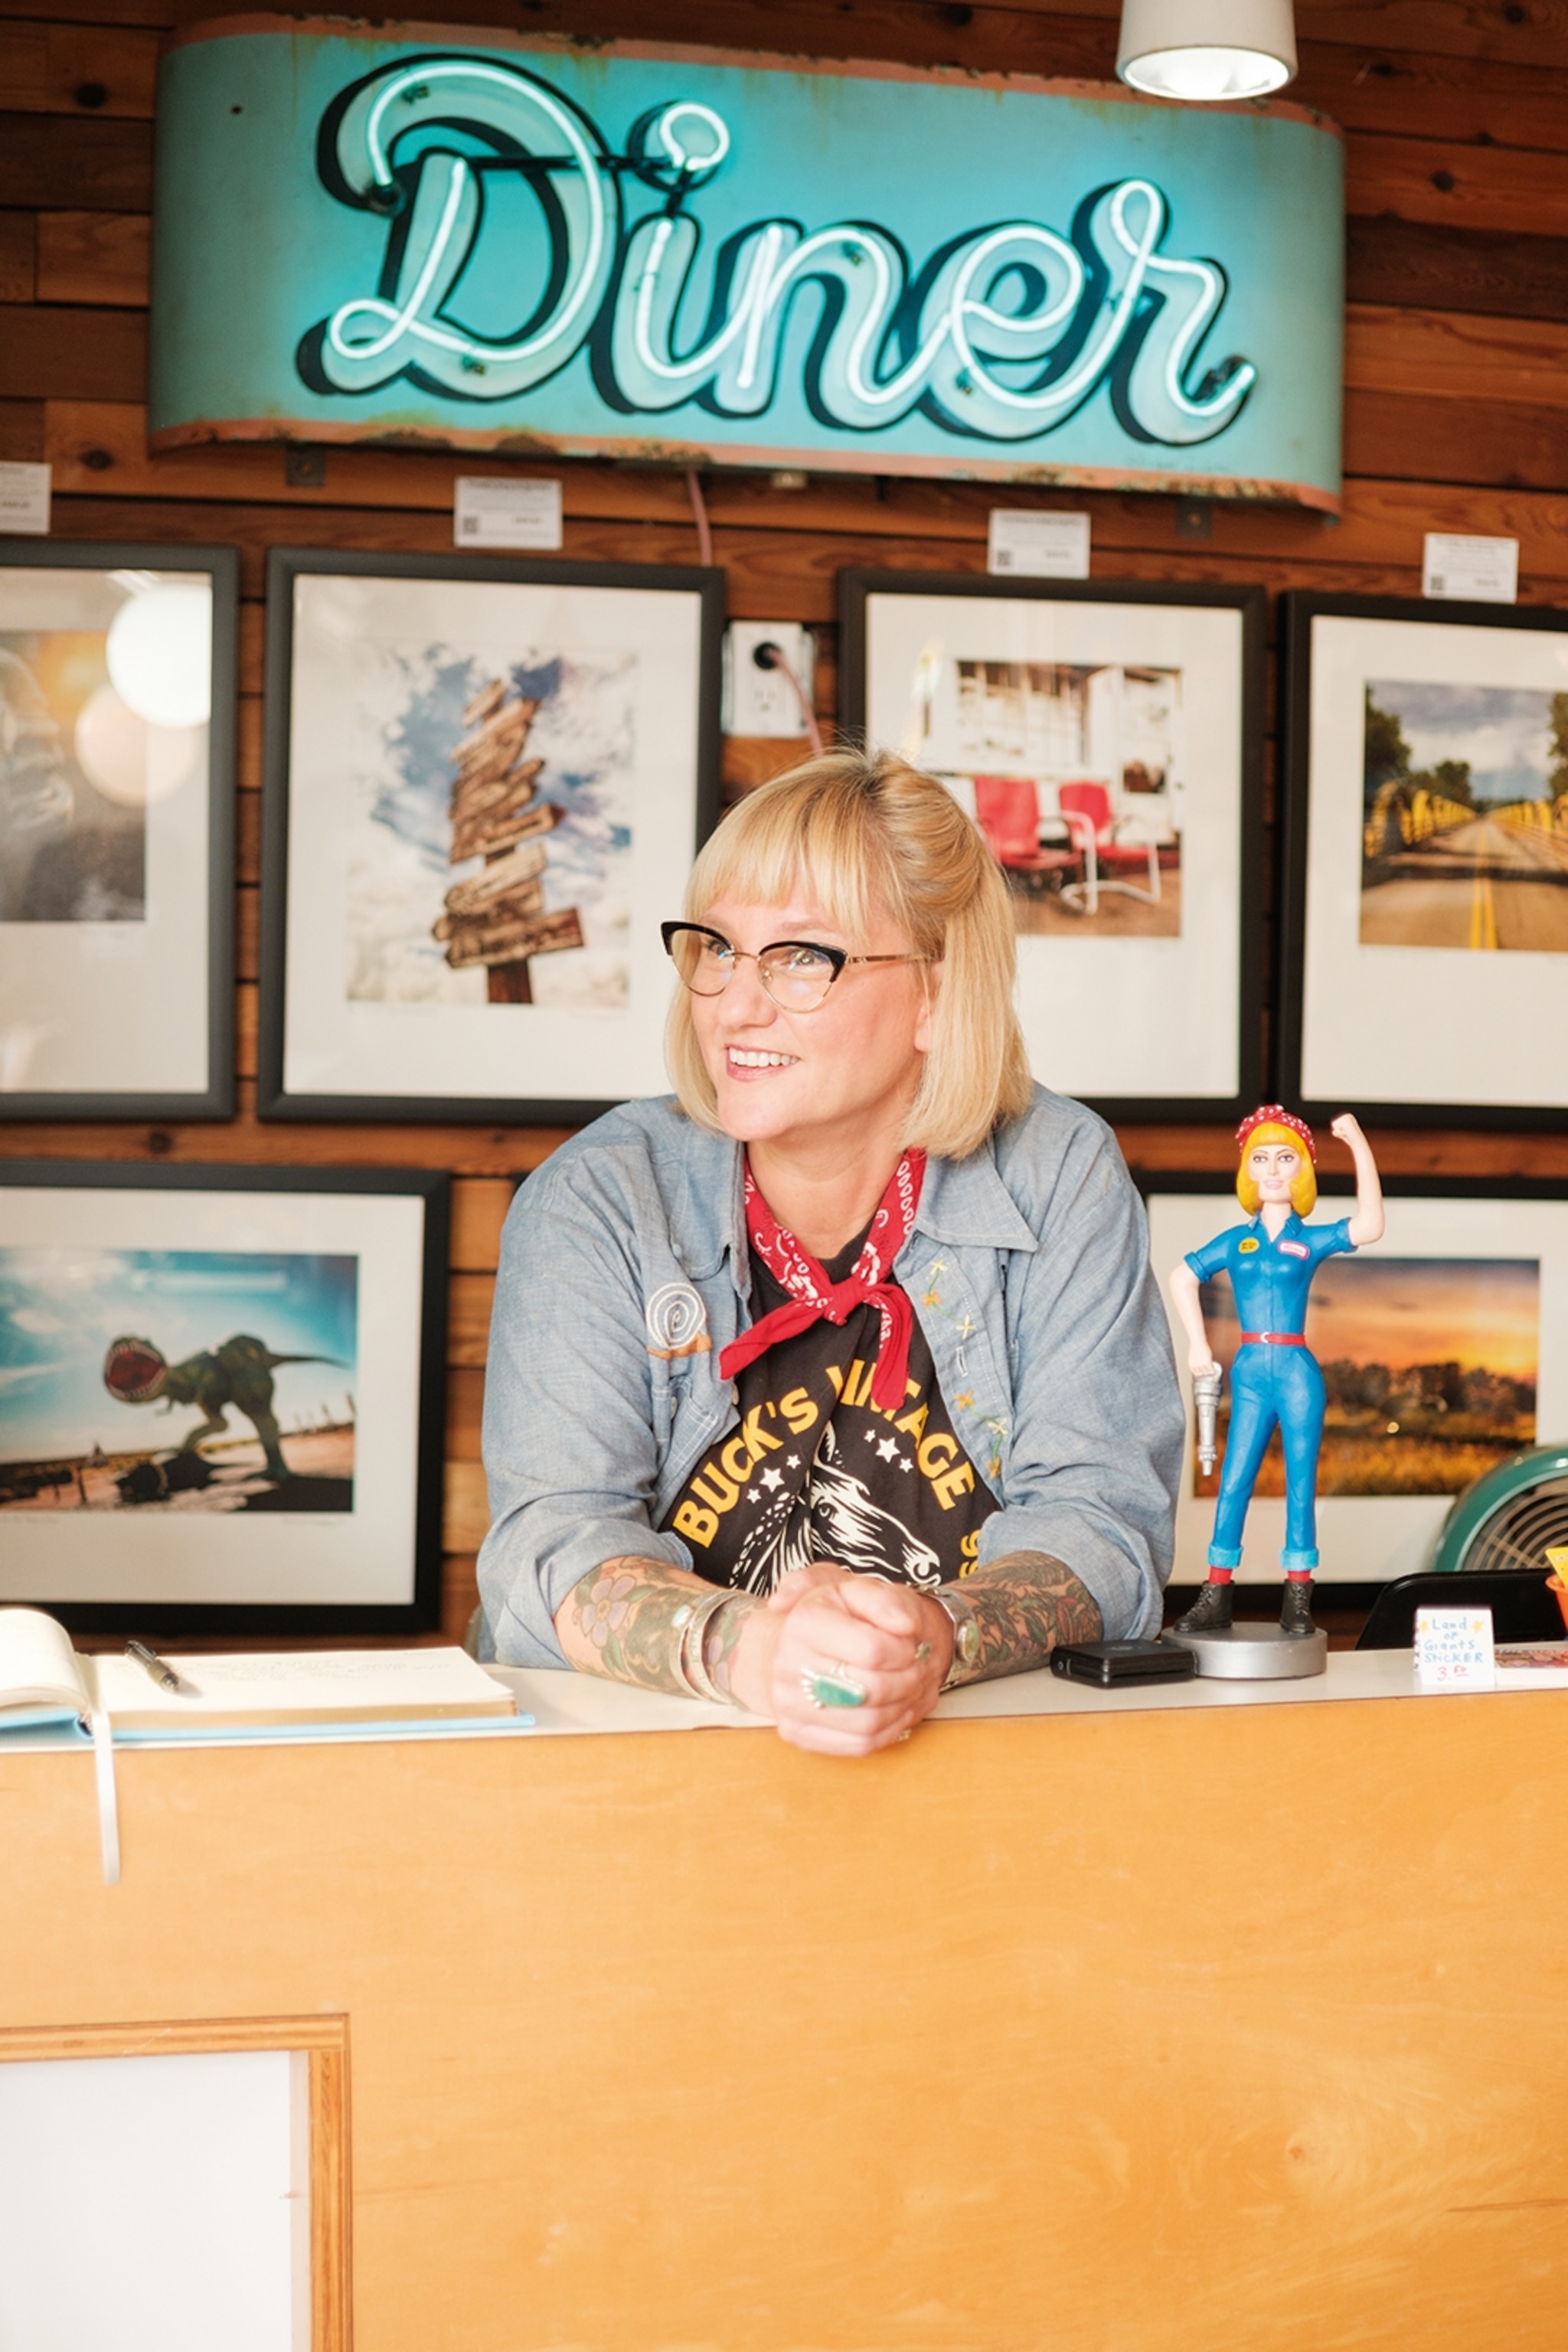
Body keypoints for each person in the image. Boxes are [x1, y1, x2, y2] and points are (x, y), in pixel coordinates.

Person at [477, 750, 1184, 1754]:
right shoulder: (600, 1197)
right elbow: (551, 1544)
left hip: (987, 1782)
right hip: (636, 1788)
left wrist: (939, 1634)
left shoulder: (1057, 1173)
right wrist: (751, 1652)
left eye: (803, 956)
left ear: (937, 994)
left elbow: (1104, 1517)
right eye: (717, 948)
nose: (734, 1001)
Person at [1170, 1107, 1384, 1639]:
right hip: (1247, 1371)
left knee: (1299, 1485)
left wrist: (1357, 1145)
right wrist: (1197, 1343)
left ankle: (1298, 1599)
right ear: (1247, 1170)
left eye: (1284, 1158)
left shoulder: (1308, 1239)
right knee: (1235, 1481)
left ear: (1302, 1171)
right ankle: (1217, 1592)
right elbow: (1180, 1277)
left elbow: (1371, 1226)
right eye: (1260, 1158)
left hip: (1296, 1372)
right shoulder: (1235, 1241)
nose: (1271, 1169)